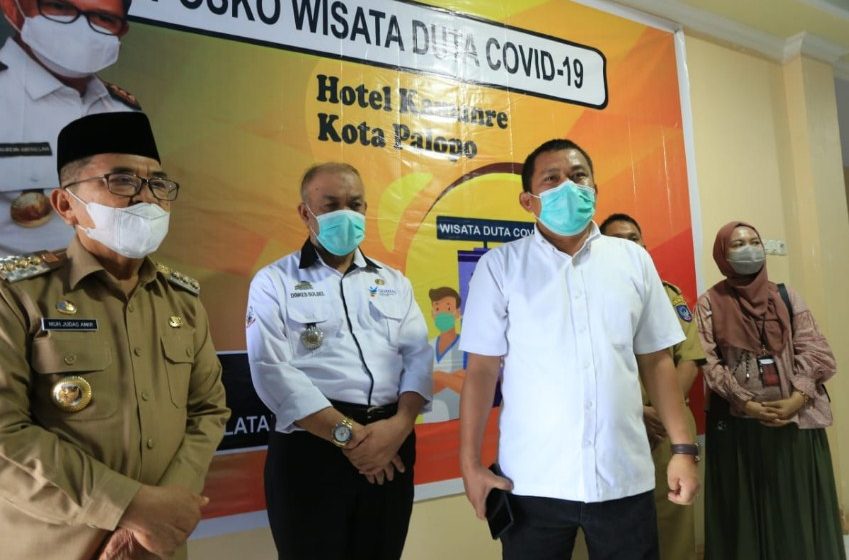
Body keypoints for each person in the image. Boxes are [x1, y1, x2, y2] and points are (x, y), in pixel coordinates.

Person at [0, 111, 230, 560]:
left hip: (157, 546)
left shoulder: (182, 301)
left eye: (157, 184)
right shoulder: (17, 297)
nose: (146, 198)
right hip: (56, 545)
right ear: (65, 205)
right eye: (121, 180)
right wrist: (128, 506)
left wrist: (166, 507)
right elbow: (5, 432)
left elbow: (208, 409)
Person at [459, 138, 700, 560]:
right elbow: (481, 370)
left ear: (594, 189)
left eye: (578, 176)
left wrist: (683, 449)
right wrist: (470, 464)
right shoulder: (500, 267)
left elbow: (657, 360)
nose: (568, 187)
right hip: (532, 482)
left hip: (624, 478)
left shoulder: (633, 261)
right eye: (552, 179)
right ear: (529, 201)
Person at [245, 162, 432, 560]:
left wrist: (400, 426)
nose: (346, 214)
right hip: (313, 447)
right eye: (331, 205)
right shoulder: (273, 282)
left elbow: (418, 357)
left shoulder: (394, 282)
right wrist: (347, 436)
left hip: (391, 441)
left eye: (355, 204)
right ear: (305, 212)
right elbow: (271, 371)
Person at [695, 221, 845, 560]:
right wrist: (745, 402)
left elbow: (816, 350)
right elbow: (707, 362)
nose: (748, 249)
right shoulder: (709, 303)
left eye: (754, 241)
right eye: (737, 244)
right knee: (746, 514)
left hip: (795, 423)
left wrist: (798, 397)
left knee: (795, 509)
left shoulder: (786, 295)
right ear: (722, 254)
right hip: (739, 428)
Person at [600, 212, 705, 560]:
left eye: (633, 238)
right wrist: (634, 413)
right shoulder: (587, 298)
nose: (627, 245)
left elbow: (689, 358)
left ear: (644, 245)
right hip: (615, 426)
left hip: (666, 429)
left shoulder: (668, 295)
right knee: (612, 525)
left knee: (672, 519)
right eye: (616, 240)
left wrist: (661, 412)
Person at [0, 0, 140, 257]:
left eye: (103, 18)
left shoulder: (125, 114)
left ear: (121, 32)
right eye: (59, 7)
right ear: (12, 7)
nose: (80, 28)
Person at [422, 286, 466, 422]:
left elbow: (471, 388)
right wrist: (455, 378)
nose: (442, 314)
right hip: (429, 423)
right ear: (432, 314)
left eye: (448, 308)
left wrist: (437, 376)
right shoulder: (426, 347)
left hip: (459, 419)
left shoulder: (467, 346)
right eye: (437, 308)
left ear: (457, 313)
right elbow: (421, 389)